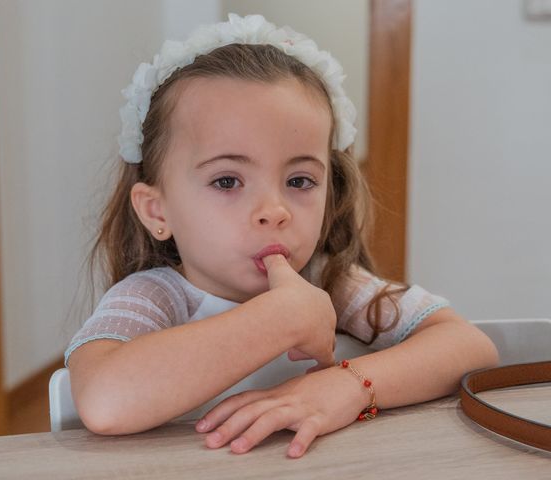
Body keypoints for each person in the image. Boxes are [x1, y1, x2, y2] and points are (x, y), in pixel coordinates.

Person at [65, 13, 498, 459]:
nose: (274, 212)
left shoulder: (329, 281)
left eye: (300, 182)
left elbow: (469, 347)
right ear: (157, 211)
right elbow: (103, 401)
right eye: (227, 181)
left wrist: (344, 387)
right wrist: (281, 318)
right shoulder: (155, 298)